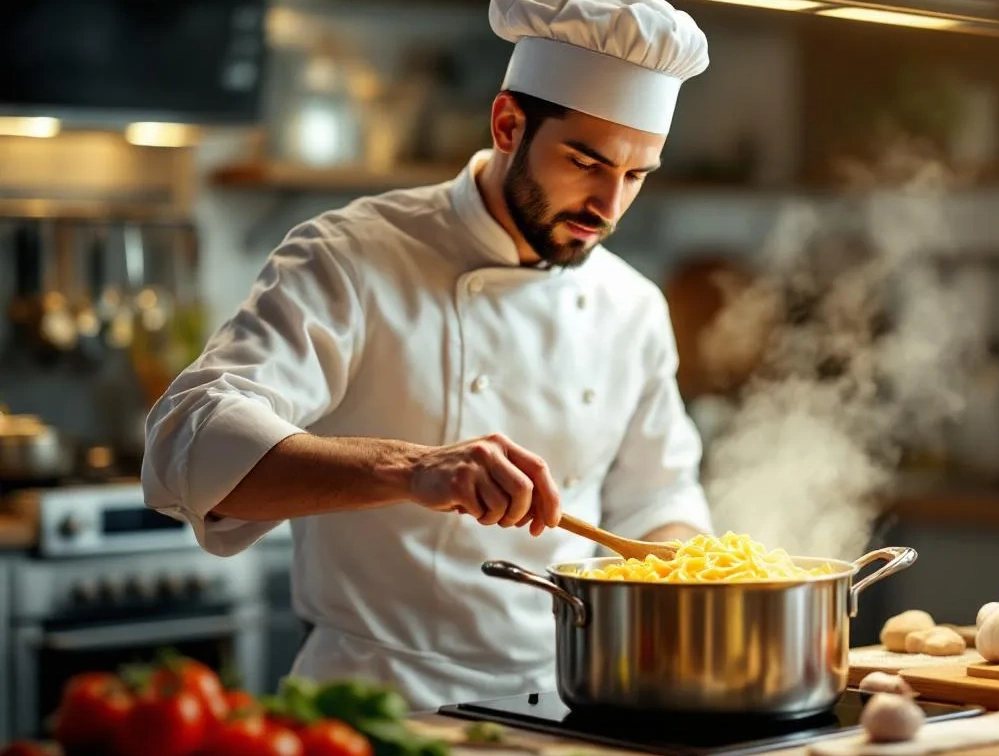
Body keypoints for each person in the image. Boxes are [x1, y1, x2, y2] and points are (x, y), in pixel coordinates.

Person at [140, 0, 715, 710]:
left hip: (570, 703)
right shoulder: (351, 256)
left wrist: (695, 567)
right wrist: (415, 469)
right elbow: (185, 447)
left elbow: (659, 495)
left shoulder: (632, 306)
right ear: (508, 124)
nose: (609, 205)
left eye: (636, 175)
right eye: (585, 161)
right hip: (381, 705)